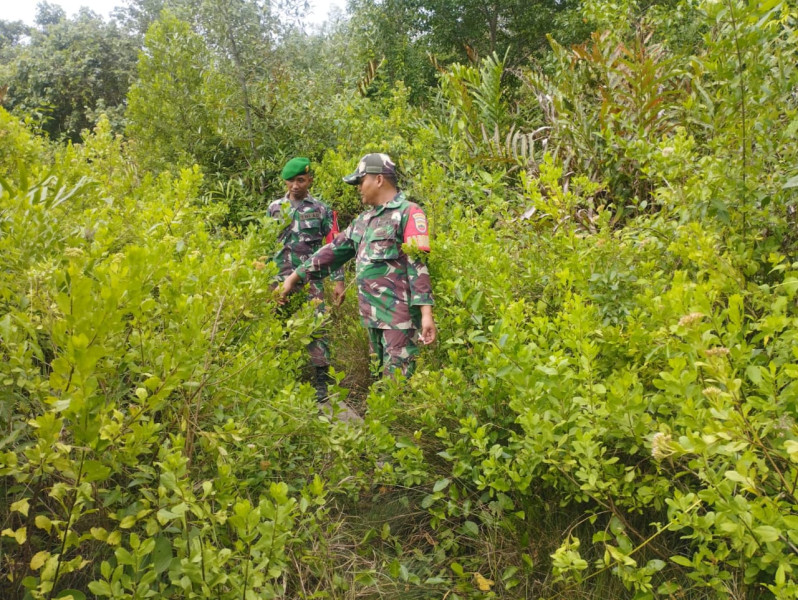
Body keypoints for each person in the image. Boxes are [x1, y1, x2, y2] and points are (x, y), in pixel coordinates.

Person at [281, 153, 436, 379]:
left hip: (399, 320)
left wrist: (426, 314)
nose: (358, 188)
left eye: (361, 181)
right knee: (377, 381)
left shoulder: (409, 213)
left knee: (397, 384)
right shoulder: (364, 220)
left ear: (379, 180)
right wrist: (293, 278)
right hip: (372, 317)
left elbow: (418, 266)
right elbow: (331, 252)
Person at [268, 157, 345, 401]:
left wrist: (339, 280)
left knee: (316, 328)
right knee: (275, 328)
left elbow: (335, 245)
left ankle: (321, 381)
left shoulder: (321, 210)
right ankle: (276, 376)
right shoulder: (274, 208)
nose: (295, 185)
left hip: (311, 279)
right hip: (278, 279)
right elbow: (266, 244)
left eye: (300, 180)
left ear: (309, 180)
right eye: (290, 181)